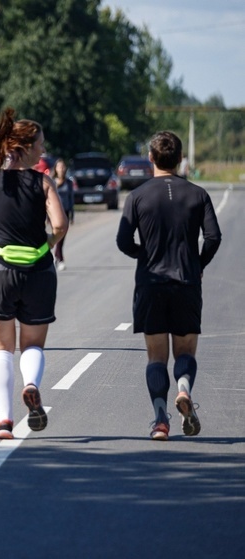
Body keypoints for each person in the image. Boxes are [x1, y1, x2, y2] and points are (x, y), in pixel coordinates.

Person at [0, 108, 68, 440]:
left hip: (0, 272)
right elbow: (61, 225)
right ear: (26, 147)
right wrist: (48, 242)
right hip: (38, 271)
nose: (44, 150)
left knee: (1, 347)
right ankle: (32, 385)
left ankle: (4, 421)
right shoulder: (43, 182)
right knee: (33, 345)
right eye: (40, 144)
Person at [116, 131, 221, 441]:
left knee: (156, 356)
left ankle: (161, 419)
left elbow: (123, 241)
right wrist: (198, 263)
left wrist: (144, 256)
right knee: (185, 351)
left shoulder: (137, 196)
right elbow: (213, 238)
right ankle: (184, 389)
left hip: (150, 284)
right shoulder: (198, 194)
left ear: (151, 159)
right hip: (186, 282)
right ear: (180, 159)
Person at [50, 158, 74, 271]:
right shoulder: (52, 182)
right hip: (53, 213)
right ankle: (60, 258)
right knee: (58, 234)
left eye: (63, 167)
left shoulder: (69, 183)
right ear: (55, 168)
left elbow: (71, 198)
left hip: (65, 212)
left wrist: (72, 215)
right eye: (59, 166)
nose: (62, 169)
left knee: (62, 237)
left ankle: (56, 256)